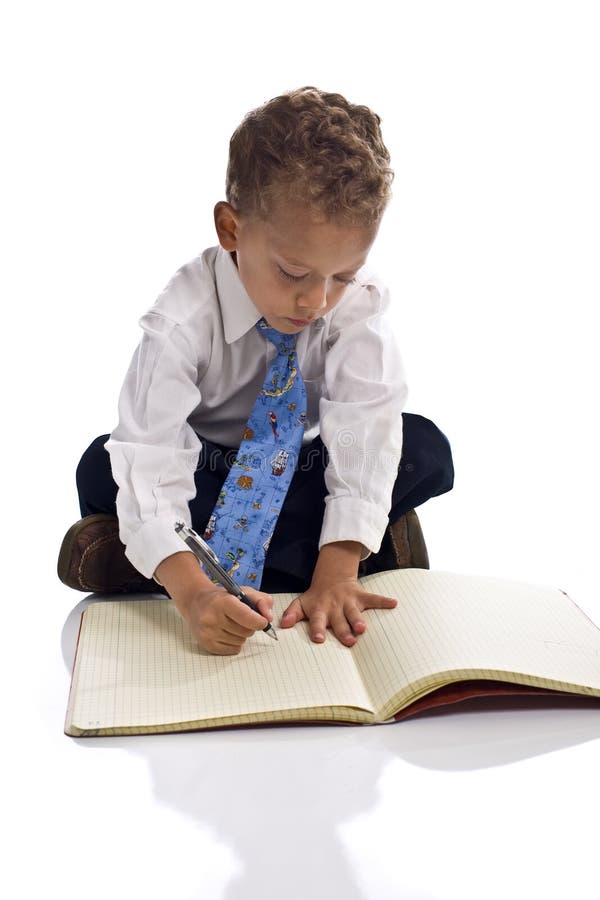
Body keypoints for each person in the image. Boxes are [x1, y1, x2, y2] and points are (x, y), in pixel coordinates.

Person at [57, 85, 454, 655]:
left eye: (341, 275)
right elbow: (152, 452)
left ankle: (322, 552)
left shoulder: (355, 305)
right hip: (210, 473)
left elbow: (366, 418)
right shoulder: (182, 320)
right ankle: (191, 571)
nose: (317, 300)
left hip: (300, 468)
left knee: (421, 445)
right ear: (231, 230)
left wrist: (337, 572)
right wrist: (195, 598)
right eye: (293, 272)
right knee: (103, 466)